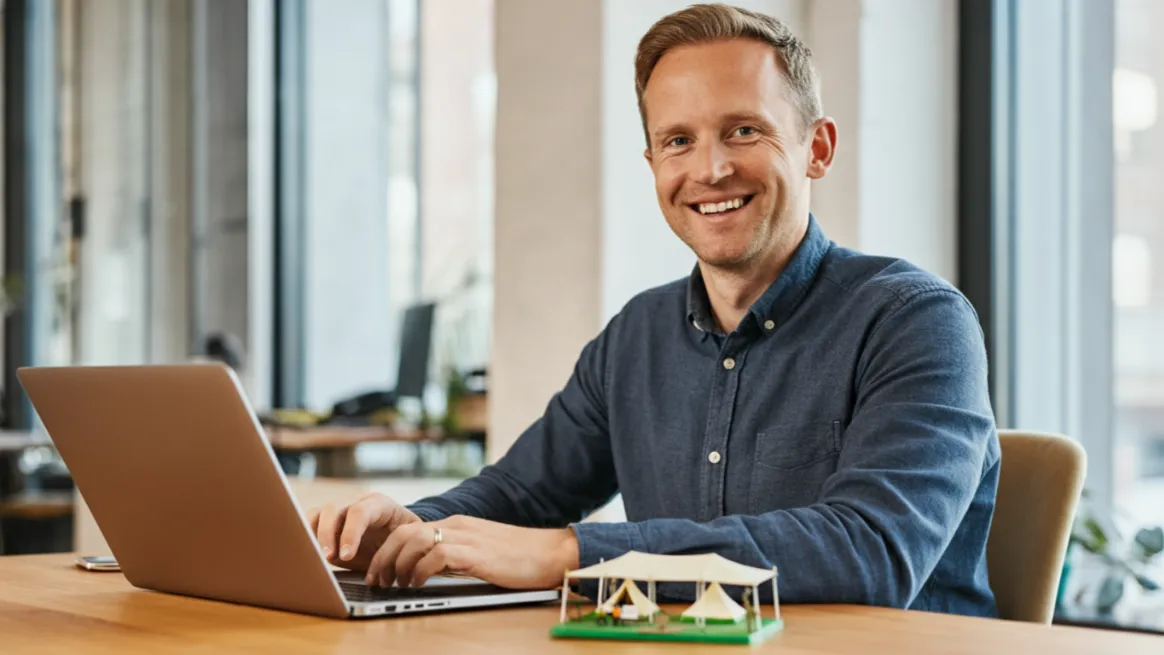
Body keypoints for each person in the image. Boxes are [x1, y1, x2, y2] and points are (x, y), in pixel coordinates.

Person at [309, 3, 1000, 617]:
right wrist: (406, 526)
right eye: (678, 140)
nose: (710, 169)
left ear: (816, 148)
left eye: (744, 131)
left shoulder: (918, 323)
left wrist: (574, 552)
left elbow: (869, 550)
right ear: (652, 164)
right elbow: (517, 496)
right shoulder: (635, 337)